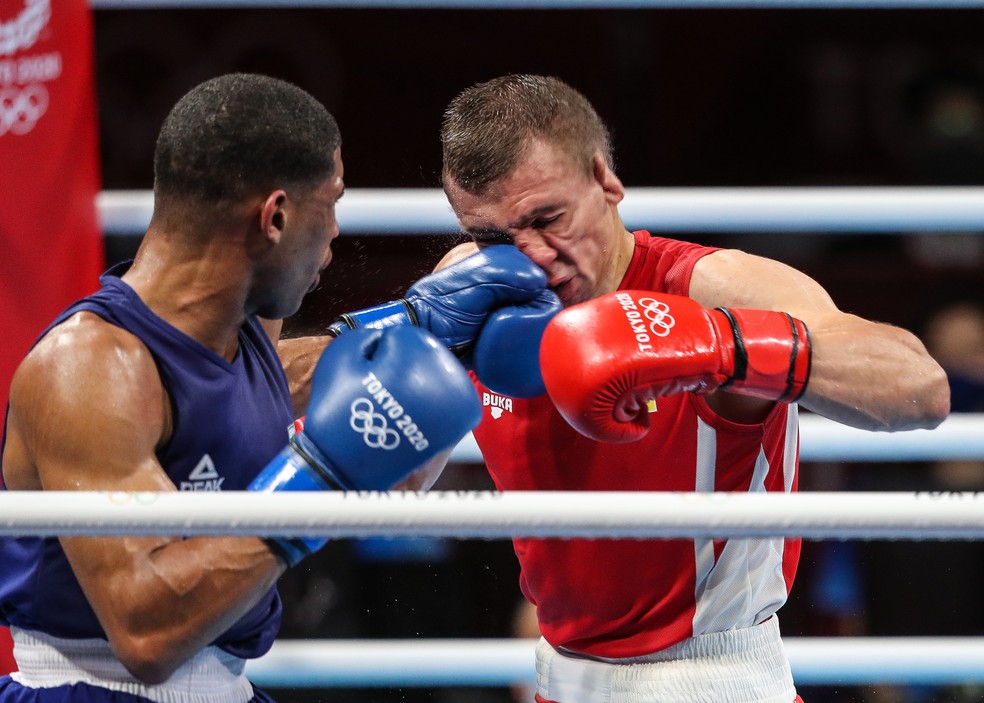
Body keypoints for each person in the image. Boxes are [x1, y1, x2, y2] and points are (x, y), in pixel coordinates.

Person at [0, 73, 558, 703]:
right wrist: (319, 480)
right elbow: (147, 633)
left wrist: (415, 323)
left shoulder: (241, 335)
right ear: (275, 216)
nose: (337, 233)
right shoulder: (86, 368)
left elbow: (253, 379)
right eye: (332, 203)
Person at [437, 74, 951, 703]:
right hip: (559, 677)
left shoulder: (708, 287)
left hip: (712, 678)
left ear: (604, 180)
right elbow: (393, 475)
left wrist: (722, 346)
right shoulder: (470, 297)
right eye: (494, 238)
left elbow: (920, 389)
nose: (531, 258)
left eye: (548, 219)